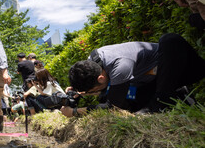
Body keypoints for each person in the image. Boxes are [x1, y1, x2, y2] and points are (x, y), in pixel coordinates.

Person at [64, 33, 205, 116]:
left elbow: (112, 107)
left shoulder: (120, 66)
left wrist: (74, 112)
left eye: (94, 89)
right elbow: (92, 81)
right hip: (151, 77)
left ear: (100, 78)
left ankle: (164, 100)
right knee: (121, 99)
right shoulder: (93, 63)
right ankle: (178, 94)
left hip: (185, 68)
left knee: (169, 40)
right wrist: (80, 91)